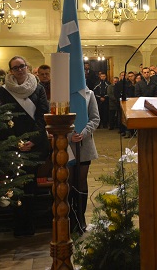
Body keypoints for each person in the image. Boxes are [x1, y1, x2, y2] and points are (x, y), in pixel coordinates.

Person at [0, 56, 50, 237]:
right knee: (16, 185)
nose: (19, 70)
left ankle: (30, 223)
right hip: (14, 145)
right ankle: (19, 224)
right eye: (15, 68)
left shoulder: (38, 88)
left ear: (27, 67)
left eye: (22, 66)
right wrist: (16, 142)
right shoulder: (4, 91)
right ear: (10, 71)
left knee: (30, 184)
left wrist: (33, 140)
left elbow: (43, 116)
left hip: (36, 145)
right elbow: (3, 119)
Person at [68, 87, 99, 235]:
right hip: (66, 146)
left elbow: (95, 118)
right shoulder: (60, 93)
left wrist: (83, 132)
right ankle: (70, 218)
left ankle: (80, 217)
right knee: (68, 182)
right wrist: (69, 135)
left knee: (81, 181)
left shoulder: (89, 94)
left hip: (84, 144)